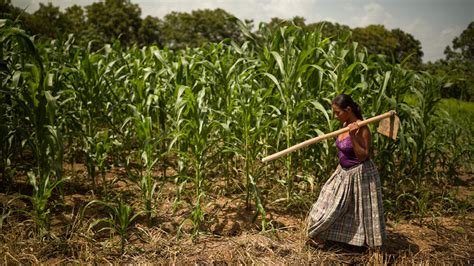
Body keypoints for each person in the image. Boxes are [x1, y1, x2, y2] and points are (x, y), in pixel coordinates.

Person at [306, 94, 386, 248]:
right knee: (326, 206)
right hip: (343, 173)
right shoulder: (344, 124)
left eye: (338, 112)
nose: (335, 116)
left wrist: (353, 136)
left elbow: (363, 156)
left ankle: (359, 245)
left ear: (348, 109)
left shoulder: (362, 128)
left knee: (358, 214)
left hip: (360, 174)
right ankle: (323, 236)